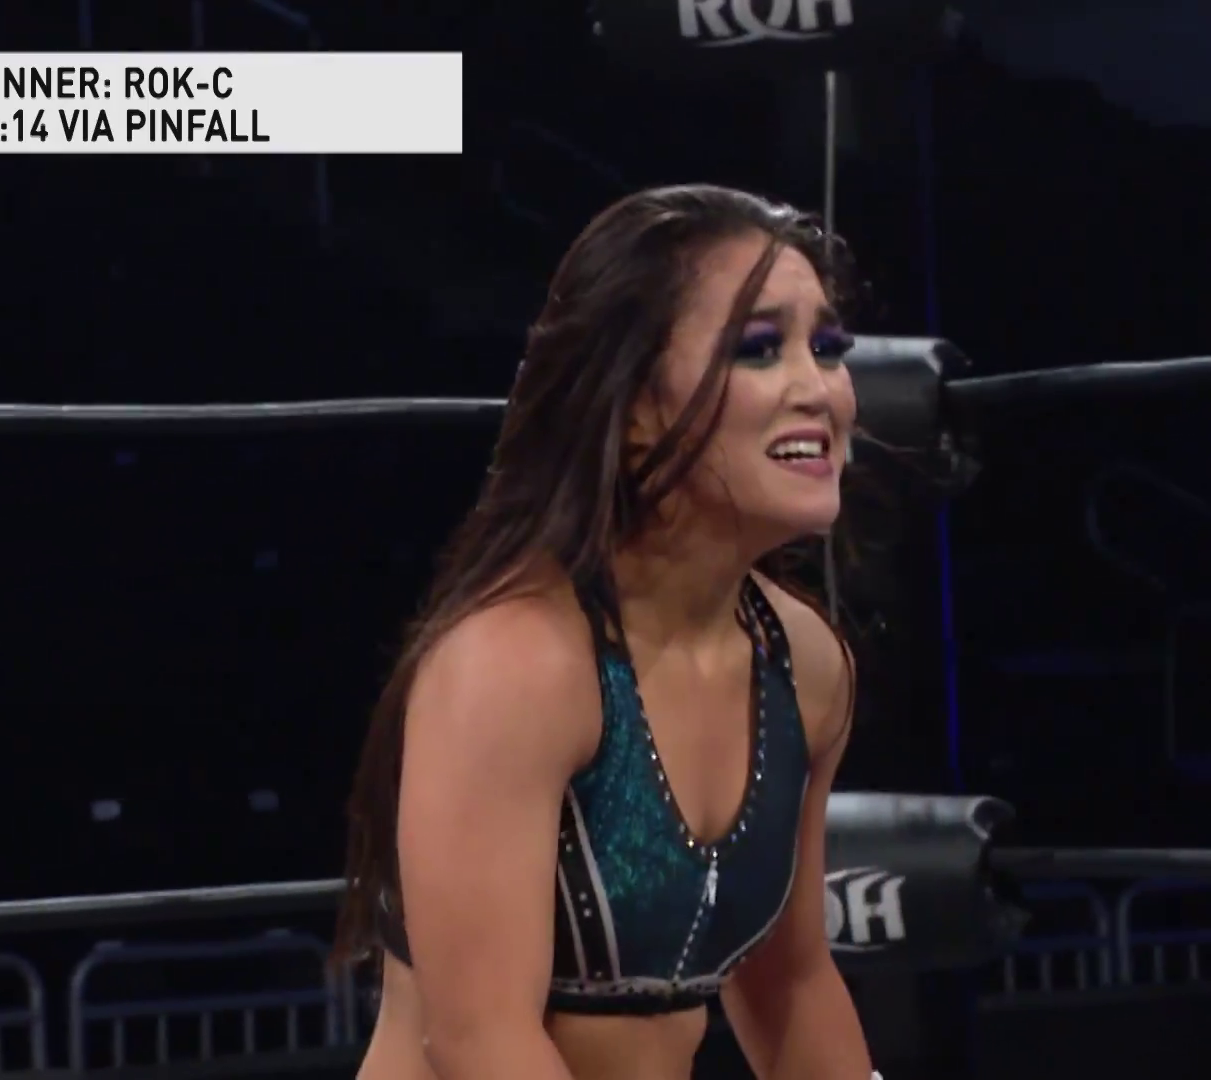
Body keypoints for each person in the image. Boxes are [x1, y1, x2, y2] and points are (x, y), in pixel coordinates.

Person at [334, 184, 880, 1080]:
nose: (817, 389)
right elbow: (479, 1041)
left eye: (827, 348)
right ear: (633, 410)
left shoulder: (805, 665)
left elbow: (791, 985)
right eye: (758, 348)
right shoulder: (515, 664)